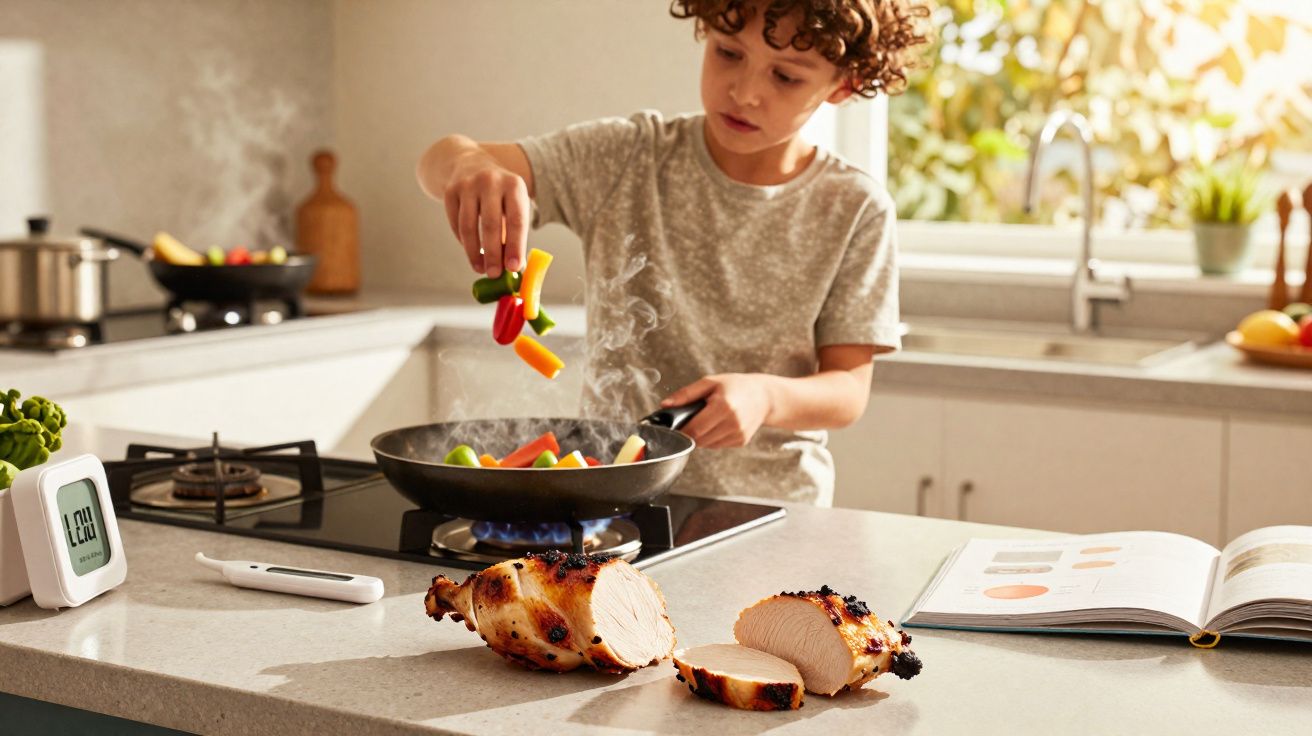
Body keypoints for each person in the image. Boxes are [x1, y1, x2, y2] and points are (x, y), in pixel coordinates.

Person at [416, 0, 933, 505]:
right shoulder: (627, 156)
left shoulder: (855, 207)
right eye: (729, 53)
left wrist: (766, 396)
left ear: (842, 85)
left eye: (786, 77)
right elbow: (440, 159)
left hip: (773, 505)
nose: (744, 91)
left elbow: (847, 390)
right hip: (617, 497)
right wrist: (467, 167)